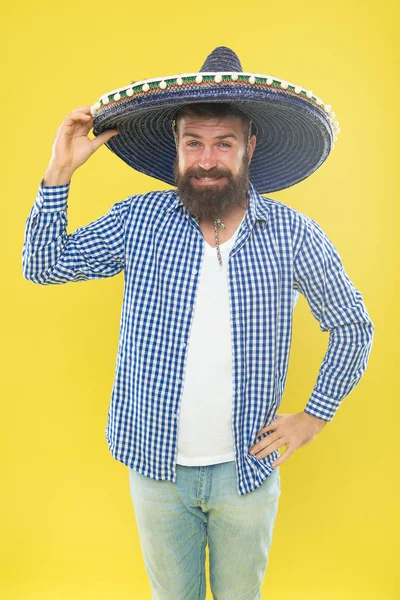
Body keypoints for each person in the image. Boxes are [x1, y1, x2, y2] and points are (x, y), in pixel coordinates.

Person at [22, 46, 374, 600]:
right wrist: (59, 171)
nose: (207, 158)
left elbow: (353, 324)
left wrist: (314, 416)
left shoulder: (293, 235)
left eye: (223, 143)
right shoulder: (139, 221)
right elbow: (42, 266)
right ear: (177, 148)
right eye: (194, 143)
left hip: (246, 474)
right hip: (156, 469)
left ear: (249, 148)